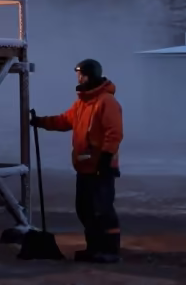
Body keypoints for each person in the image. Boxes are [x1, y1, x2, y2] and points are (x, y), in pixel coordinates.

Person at [32, 59, 123, 263]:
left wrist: (106, 158)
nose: (79, 78)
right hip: (85, 167)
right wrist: (41, 122)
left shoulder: (106, 102)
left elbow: (114, 132)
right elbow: (65, 120)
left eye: (82, 74)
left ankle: (109, 250)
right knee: (85, 209)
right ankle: (94, 248)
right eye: (78, 74)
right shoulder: (82, 103)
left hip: (102, 167)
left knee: (102, 209)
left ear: (92, 75)